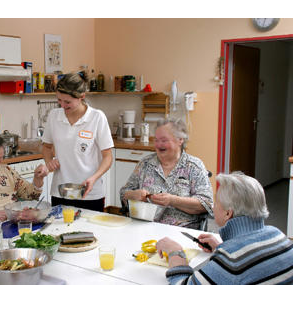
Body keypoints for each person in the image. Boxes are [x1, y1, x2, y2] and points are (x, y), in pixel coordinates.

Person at [157, 171, 293, 285]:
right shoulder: (278, 235)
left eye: (216, 202)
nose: (213, 206)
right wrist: (221, 248)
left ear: (228, 213)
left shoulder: (230, 260)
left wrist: (176, 252)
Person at [120, 117, 213, 229]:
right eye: (156, 140)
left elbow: (206, 204)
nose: (159, 145)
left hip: (180, 232)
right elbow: (124, 193)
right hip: (144, 228)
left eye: (164, 140)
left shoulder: (194, 166)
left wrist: (173, 200)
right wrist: (133, 195)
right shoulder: (145, 163)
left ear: (180, 140)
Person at [42, 72, 114, 212]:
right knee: (59, 232)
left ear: (82, 97)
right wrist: (49, 161)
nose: (62, 105)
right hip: (60, 192)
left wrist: (94, 178)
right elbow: (46, 147)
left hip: (89, 194)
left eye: (67, 102)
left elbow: (108, 156)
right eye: (59, 100)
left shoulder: (97, 117)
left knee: (90, 233)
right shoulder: (54, 116)